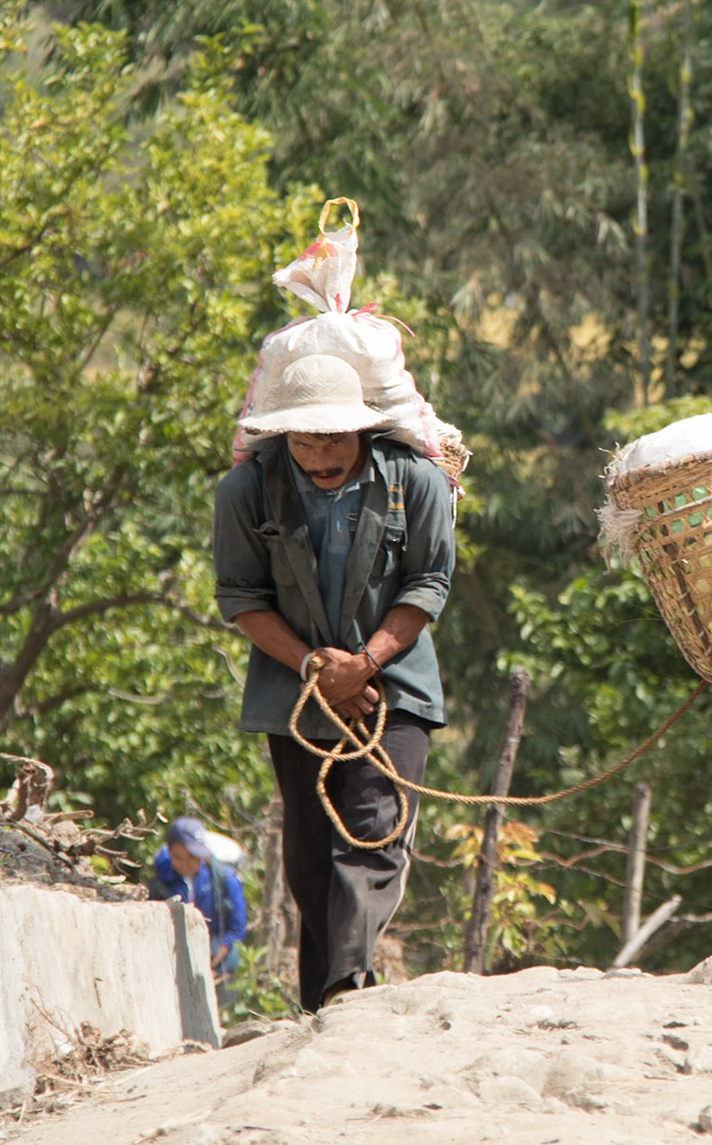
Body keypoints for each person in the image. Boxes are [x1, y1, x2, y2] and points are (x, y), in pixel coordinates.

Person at [211, 353, 454, 1011]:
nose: (322, 455)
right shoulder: (246, 493)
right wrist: (317, 669)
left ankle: (348, 986)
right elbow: (241, 597)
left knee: (373, 828)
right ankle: (326, 999)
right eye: (306, 441)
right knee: (311, 854)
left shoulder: (416, 482)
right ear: (283, 435)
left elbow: (428, 583)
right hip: (294, 685)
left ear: (362, 432)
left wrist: (363, 664)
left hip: (392, 685)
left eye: (336, 440)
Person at [147, 816, 248, 1006]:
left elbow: (236, 928)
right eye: (178, 858)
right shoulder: (161, 881)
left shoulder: (224, 880)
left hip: (217, 958)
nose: (186, 864)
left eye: (192, 857)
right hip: (172, 960)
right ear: (169, 852)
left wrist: (212, 961)